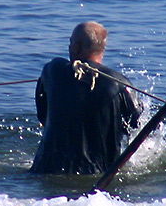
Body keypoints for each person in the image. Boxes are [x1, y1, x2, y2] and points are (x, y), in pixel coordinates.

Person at [30, 21, 141, 174]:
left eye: (70, 43)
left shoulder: (53, 70)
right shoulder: (121, 84)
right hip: (98, 174)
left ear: (77, 47)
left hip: (46, 169)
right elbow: (138, 127)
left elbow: (43, 116)